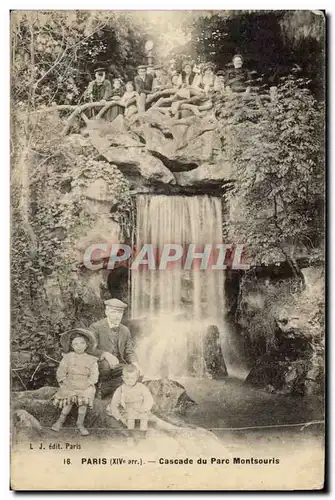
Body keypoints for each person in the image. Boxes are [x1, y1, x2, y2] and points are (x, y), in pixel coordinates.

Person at [88, 299, 140, 399]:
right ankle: (99, 388)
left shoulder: (125, 330)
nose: (117, 316)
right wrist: (105, 354)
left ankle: (107, 390)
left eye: (120, 312)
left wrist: (135, 363)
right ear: (106, 312)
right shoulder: (96, 327)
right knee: (106, 365)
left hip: (118, 364)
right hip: (100, 364)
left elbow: (129, 351)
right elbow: (90, 349)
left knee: (134, 372)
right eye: (114, 312)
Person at [51, 329, 99, 436]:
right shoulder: (67, 358)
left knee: (83, 401)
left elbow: (94, 375)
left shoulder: (91, 360)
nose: (79, 346)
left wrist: (88, 383)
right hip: (70, 382)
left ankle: (80, 424)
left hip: (85, 384)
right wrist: (65, 382)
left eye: (82, 343)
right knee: (69, 400)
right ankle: (60, 421)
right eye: (75, 344)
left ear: (87, 345)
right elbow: (61, 372)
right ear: (72, 346)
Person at [106, 364, 154, 431]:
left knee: (144, 419)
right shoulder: (121, 389)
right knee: (130, 418)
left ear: (137, 378)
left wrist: (144, 408)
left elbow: (148, 399)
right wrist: (119, 417)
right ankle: (130, 433)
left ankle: (143, 433)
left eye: (132, 378)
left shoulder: (141, 387)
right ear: (123, 378)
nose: (130, 380)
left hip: (140, 410)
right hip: (127, 411)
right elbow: (114, 403)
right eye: (127, 378)